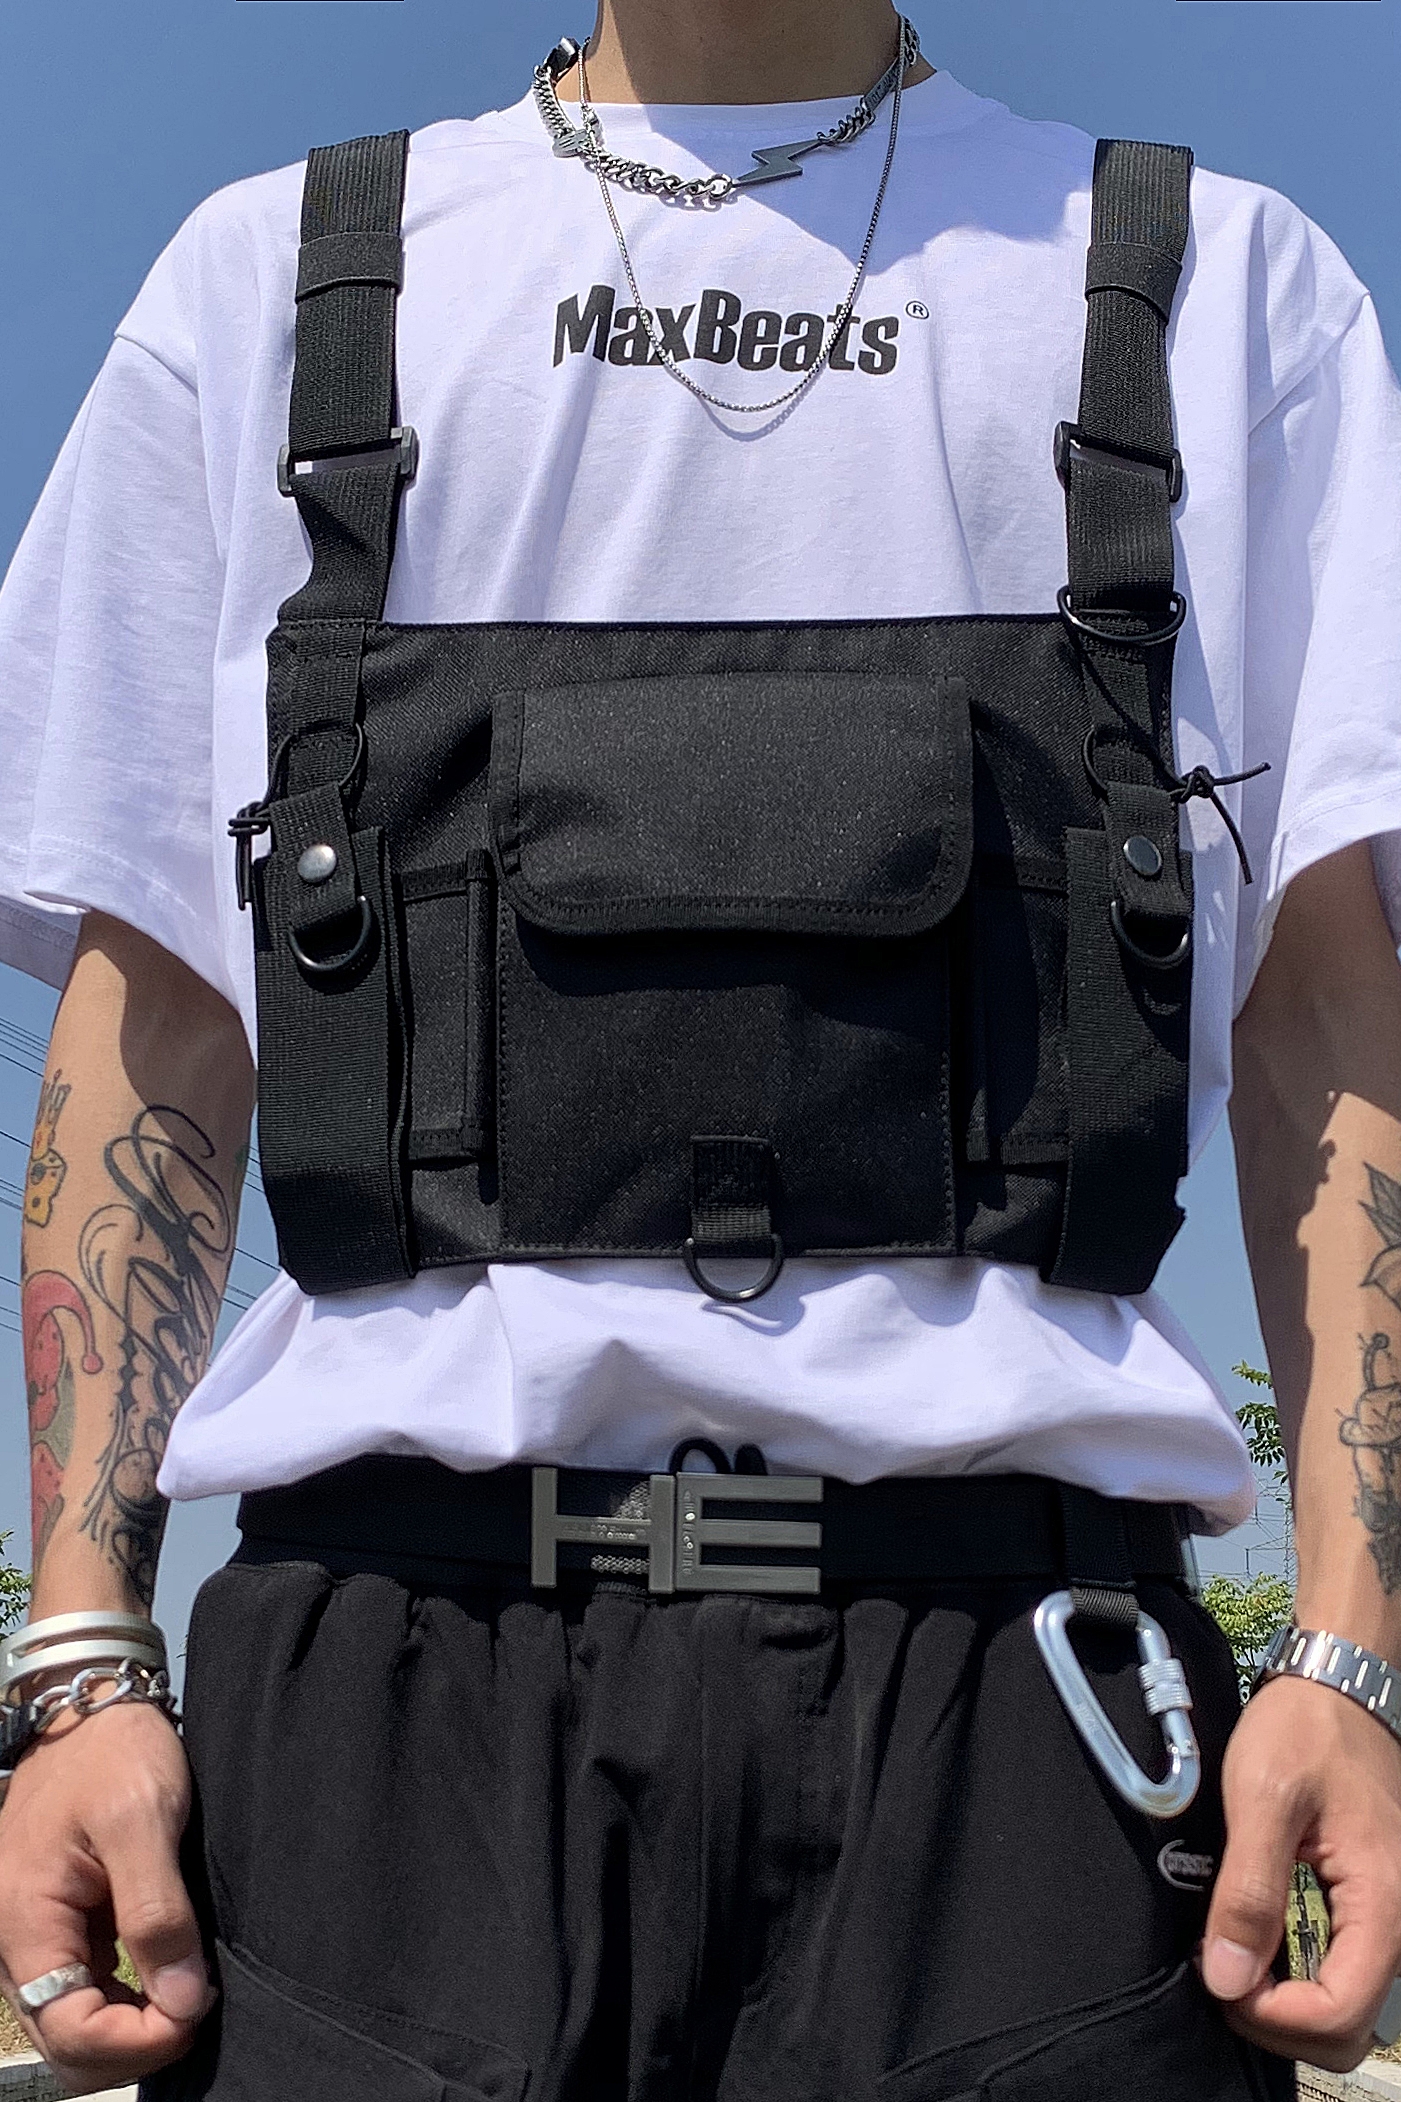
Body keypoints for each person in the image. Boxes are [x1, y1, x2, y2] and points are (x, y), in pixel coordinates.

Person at [1, 1, 1401, 2095]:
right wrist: (80, 1658)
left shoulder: (1220, 288)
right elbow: (162, 1025)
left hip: (1022, 1736)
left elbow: (1328, 1022)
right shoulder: (268, 283)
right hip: (387, 1721)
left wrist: (1351, 1655)